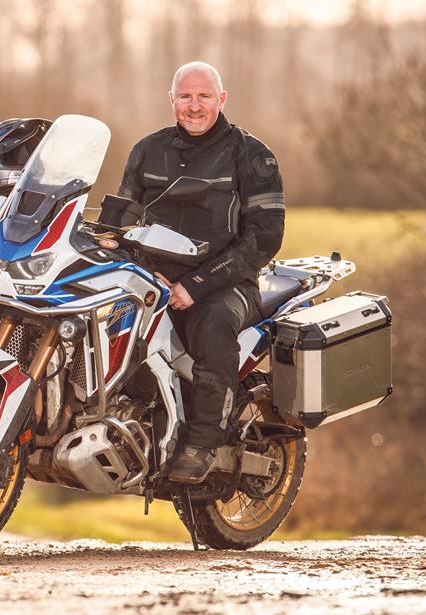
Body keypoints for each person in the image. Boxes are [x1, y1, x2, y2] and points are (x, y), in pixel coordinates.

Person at [118, 61, 285, 483]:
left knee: (212, 327)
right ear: (171, 100)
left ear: (221, 99)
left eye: (204, 96)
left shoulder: (252, 155)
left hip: (226, 283)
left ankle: (204, 442)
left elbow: (264, 238)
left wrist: (196, 284)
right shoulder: (147, 150)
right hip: (152, 281)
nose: (195, 106)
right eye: (186, 96)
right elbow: (121, 218)